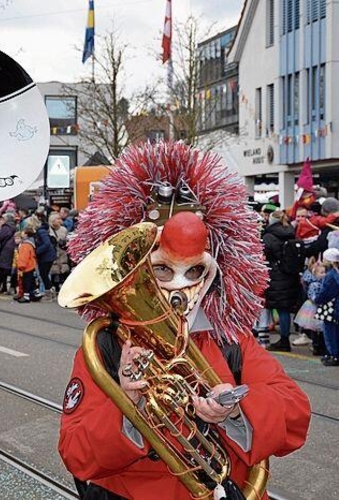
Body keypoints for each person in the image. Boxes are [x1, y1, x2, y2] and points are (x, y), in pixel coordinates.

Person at [58, 141, 311, 500]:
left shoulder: (230, 339)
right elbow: (75, 453)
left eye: (194, 270)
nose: (178, 287)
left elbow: (296, 413)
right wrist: (134, 412)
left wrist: (238, 412)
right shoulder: (105, 346)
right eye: (160, 269)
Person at [262, 210, 302, 352]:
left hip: (276, 276)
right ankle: (285, 339)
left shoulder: (269, 236)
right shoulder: (291, 231)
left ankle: (284, 341)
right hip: (290, 275)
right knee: (285, 310)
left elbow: (263, 253)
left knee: (280, 309)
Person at [293, 259, 326, 350]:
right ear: (315, 274)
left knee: (320, 328)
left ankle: (319, 345)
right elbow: (312, 296)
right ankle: (316, 345)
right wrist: (319, 300)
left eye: (324, 272)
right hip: (314, 308)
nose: (324, 274)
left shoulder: (322, 283)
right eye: (321, 273)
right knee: (314, 327)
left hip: (319, 306)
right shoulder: (314, 284)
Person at [314, 248, 339, 366]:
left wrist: (317, 299)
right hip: (334, 306)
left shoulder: (330, 275)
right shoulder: (335, 272)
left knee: (330, 332)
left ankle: (334, 355)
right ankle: (332, 353)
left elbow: (326, 292)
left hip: (330, 307)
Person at [0, 212, 17, 294]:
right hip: (13, 249)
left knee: (2, 269)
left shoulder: (6, 227)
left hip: (5, 250)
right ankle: (11, 287)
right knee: (12, 269)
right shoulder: (15, 226)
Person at [16, 227, 42, 303]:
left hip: (26, 267)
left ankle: (26, 296)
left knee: (26, 282)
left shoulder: (25, 245)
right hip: (32, 265)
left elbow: (23, 257)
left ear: (26, 234)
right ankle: (36, 294)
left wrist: (21, 266)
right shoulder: (31, 243)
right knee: (32, 281)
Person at [34, 211, 57, 295]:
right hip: (47, 256)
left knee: (43, 274)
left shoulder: (41, 231)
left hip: (46, 256)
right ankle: (49, 290)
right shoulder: (42, 230)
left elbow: (46, 243)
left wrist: (37, 251)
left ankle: (50, 290)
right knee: (44, 274)